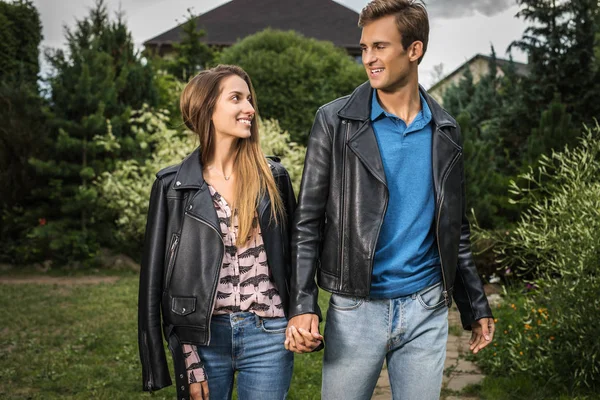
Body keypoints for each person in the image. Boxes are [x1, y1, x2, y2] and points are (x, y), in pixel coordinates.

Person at [284, 1, 495, 399]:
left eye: (379, 47)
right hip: (354, 311)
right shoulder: (334, 122)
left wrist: (476, 306)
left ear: (413, 50)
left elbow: (455, 228)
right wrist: (302, 303)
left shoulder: (446, 131)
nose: (369, 59)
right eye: (364, 48)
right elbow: (307, 222)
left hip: (426, 306)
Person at [138, 64, 296, 400]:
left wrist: (302, 316)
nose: (250, 109)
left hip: (268, 334)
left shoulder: (274, 178)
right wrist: (188, 361)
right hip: (204, 341)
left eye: (249, 99)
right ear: (207, 109)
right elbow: (158, 284)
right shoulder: (172, 187)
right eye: (236, 98)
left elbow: (297, 257)